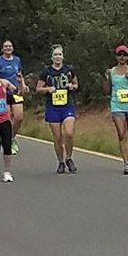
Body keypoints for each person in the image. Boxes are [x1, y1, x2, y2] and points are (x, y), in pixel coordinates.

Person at [36, 44, 79, 174]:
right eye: (55, 55)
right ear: (51, 57)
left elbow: (77, 84)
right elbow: (38, 89)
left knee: (69, 133)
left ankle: (69, 158)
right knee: (57, 137)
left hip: (67, 105)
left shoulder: (69, 69)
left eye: (59, 54)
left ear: (63, 56)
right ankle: (61, 162)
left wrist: (72, 86)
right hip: (53, 107)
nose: (57, 57)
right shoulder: (46, 72)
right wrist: (48, 89)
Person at [103, 44, 128, 175]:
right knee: (121, 134)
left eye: (124, 54)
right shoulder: (112, 72)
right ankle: (125, 163)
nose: (122, 57)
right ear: (116, 56)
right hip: (117, 105)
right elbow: (106, 91)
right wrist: (107, 79)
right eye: (119, 54)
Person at [0, 40, 28, 155]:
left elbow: (19, 74)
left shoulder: (17, 60)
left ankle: (11, 137)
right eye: (6, 46)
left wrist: (23, 85)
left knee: (19, 117)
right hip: (2, 93)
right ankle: (5, 140)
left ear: (12, 48)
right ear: (2, 49)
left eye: (10, 46)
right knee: (6, 119)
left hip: (16, 92)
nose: (8, 48)